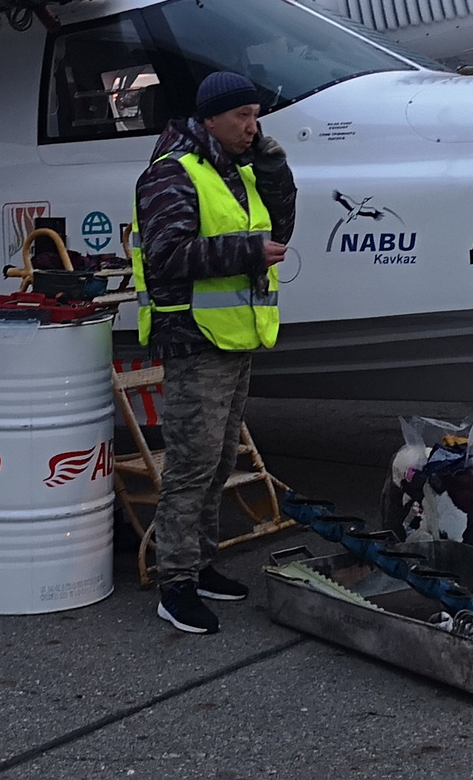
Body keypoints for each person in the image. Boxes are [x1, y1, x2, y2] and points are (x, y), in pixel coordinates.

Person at [132, 70, 295, 634]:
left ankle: (200, 566)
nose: (252, 127)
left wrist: (275, 171)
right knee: (191, 464)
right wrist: (247, 251)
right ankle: (174, 582)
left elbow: (279, 231)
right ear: (209, 120)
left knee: (220, 462)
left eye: (256, 116)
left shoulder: (233, 173)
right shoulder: (171, 176)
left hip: (233, 336)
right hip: (195, 339)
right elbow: (167, 256)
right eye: (242, 117)